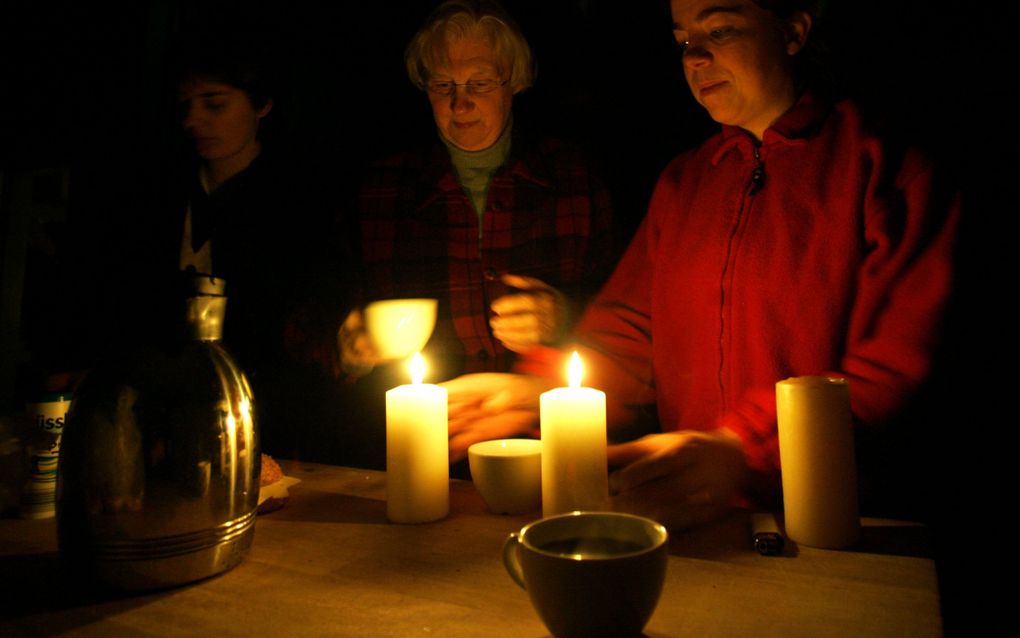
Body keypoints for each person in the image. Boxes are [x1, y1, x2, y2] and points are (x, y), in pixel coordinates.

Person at [441, 0, 960, 530]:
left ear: (793, 31)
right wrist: (543, 392)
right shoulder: (686, 182)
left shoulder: (885, 170)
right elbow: (631, 331)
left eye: (720, 29)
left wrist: (742, 448)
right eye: (683, 39)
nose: (696, 57)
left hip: (851, 523)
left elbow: (896, 366)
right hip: (697, 515)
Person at [290, 0, 616, 469]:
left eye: (479, 83)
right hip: (416, 458)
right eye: (443, 85)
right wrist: (346, 343)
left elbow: (631, 317)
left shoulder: (573, 179)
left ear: (515, 81)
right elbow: (303, 320)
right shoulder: (380, 190)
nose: (460, 103)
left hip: (548, 451)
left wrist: (565, 315)